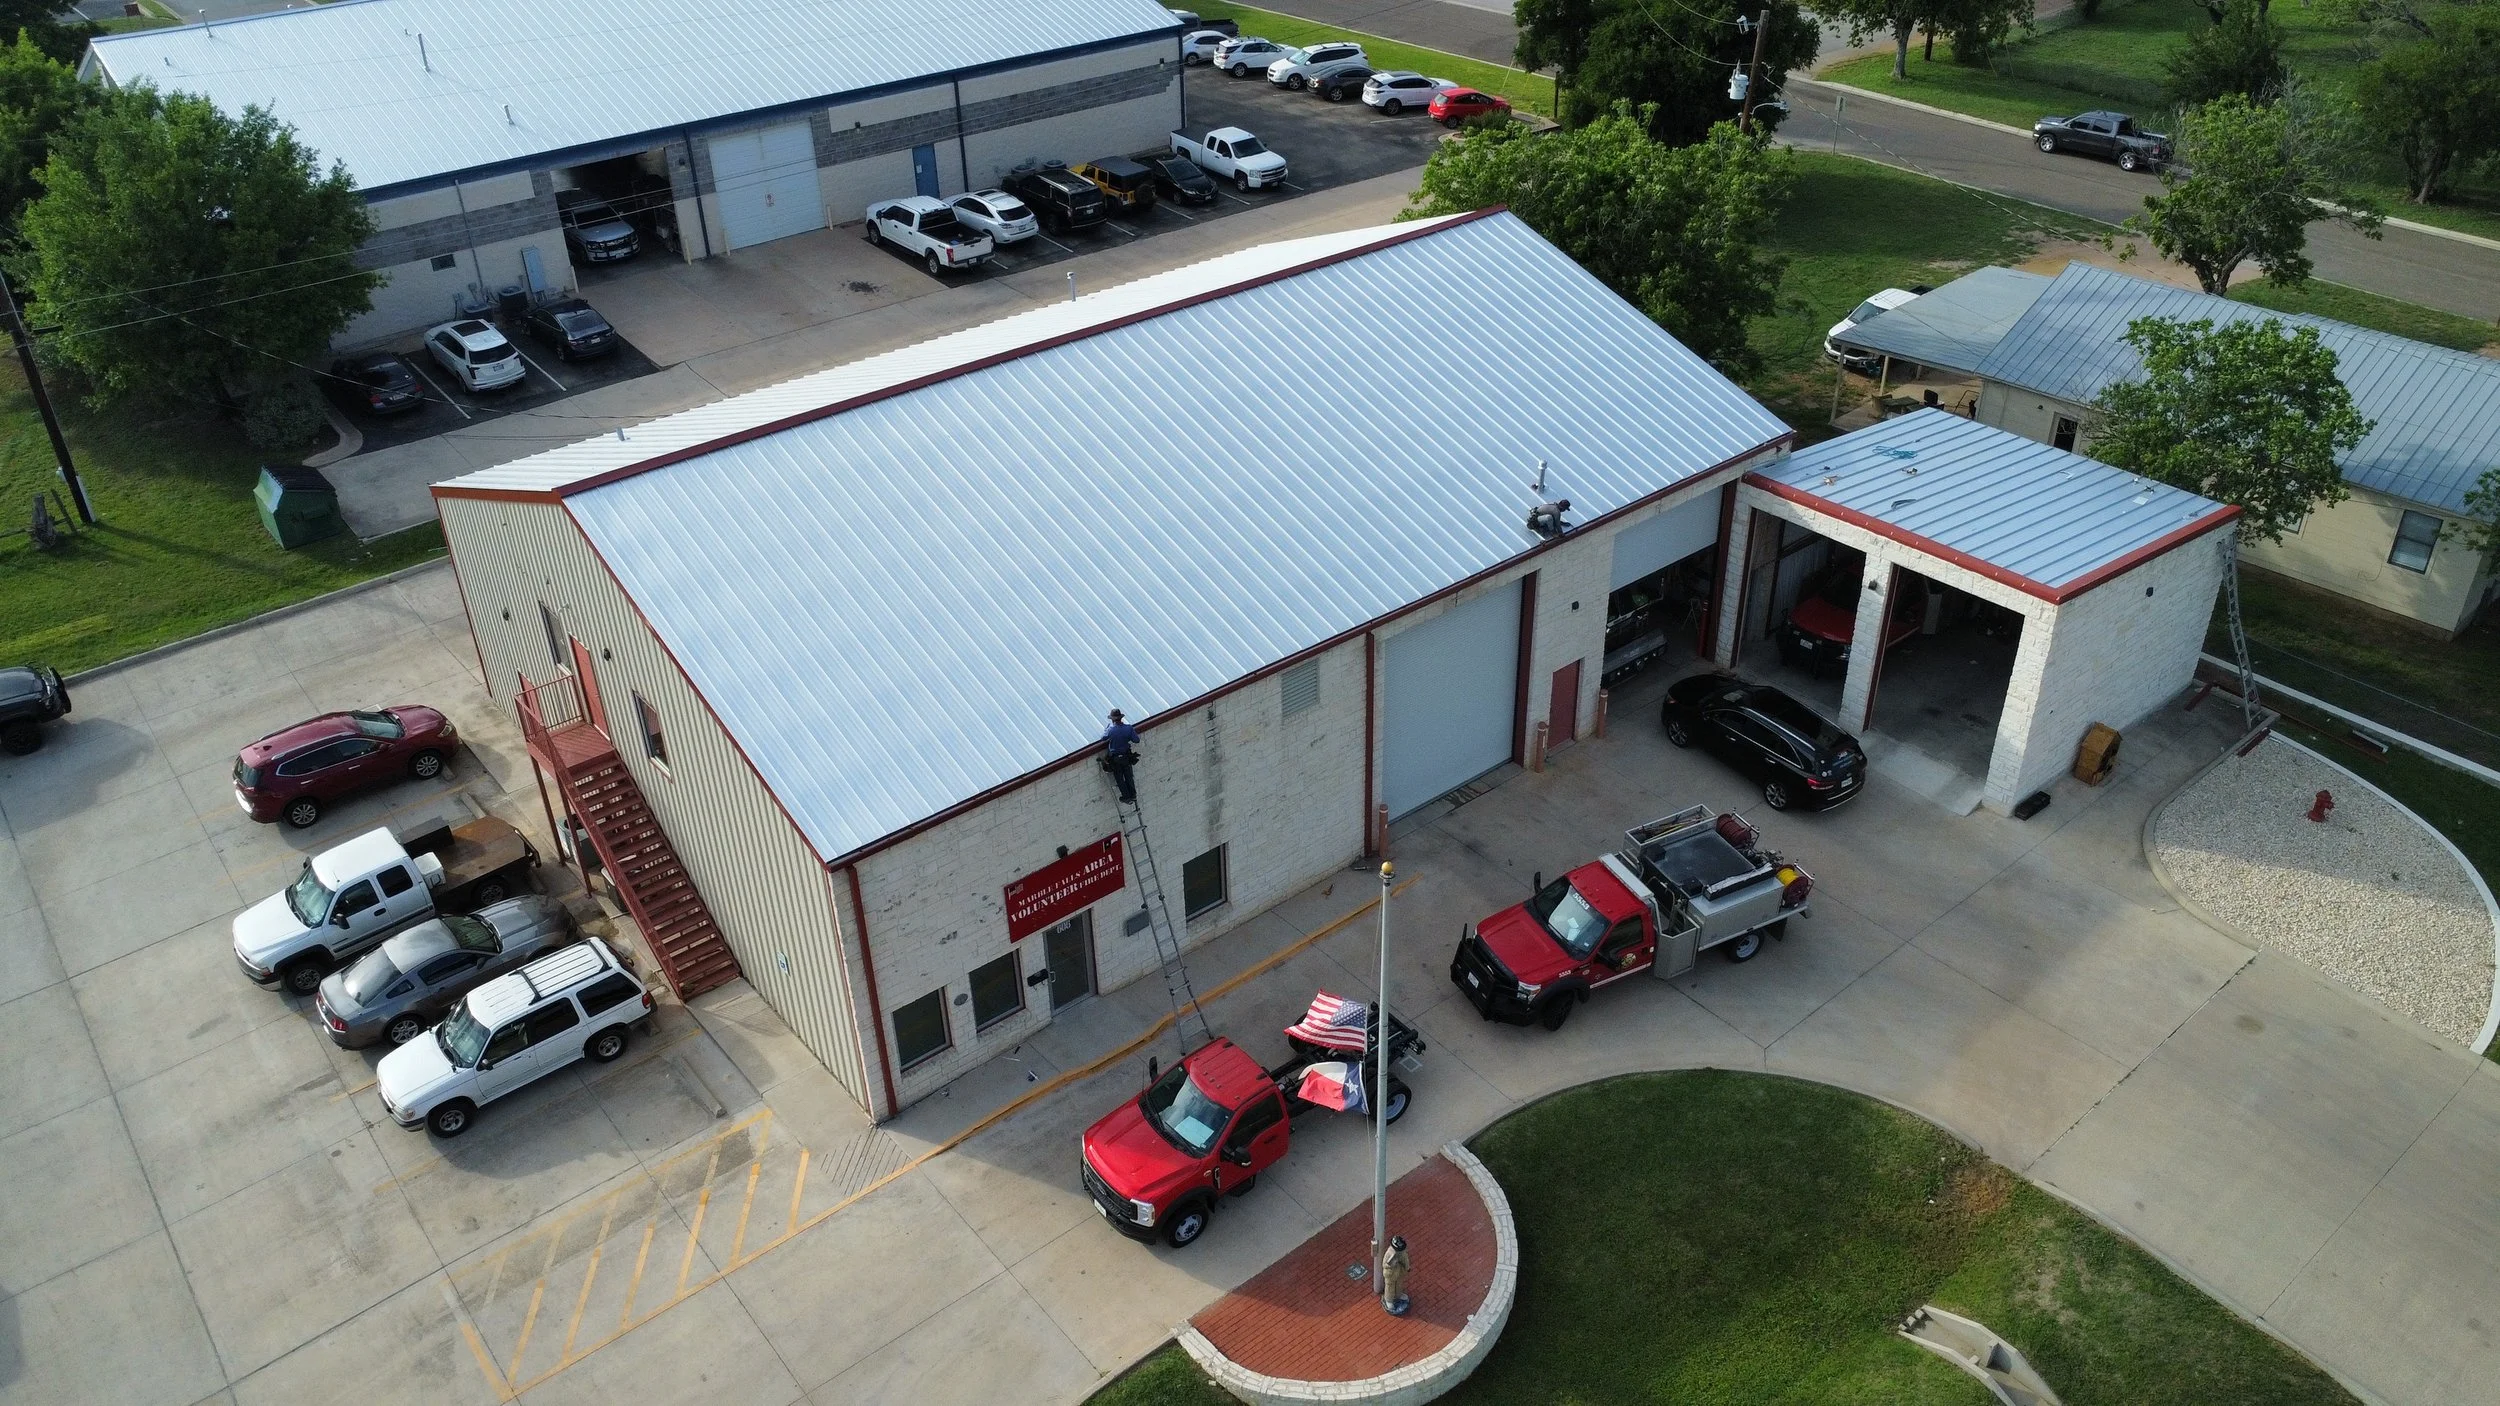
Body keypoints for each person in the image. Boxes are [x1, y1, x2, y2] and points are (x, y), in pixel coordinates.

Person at [1103, 709, 1140, 803]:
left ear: (1112, 720)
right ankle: (1133, 795)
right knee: (1128, 776)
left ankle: (1126, 797)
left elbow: (1103, 738)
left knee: (1120, 778)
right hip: (1126, 756)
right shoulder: (1128, 728)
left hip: (1115, 758)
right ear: (1120, 718)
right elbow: (1136, 740)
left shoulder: (1111, 730)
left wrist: (1107, 728)